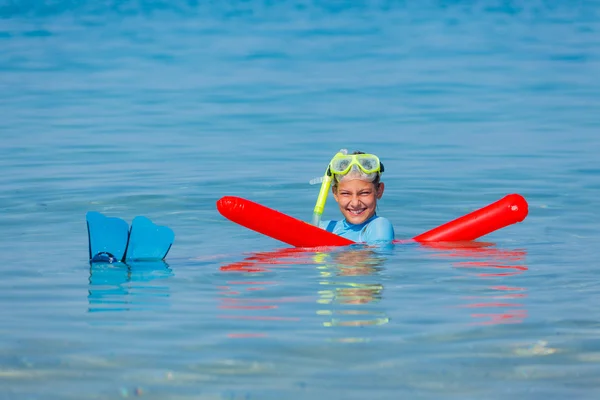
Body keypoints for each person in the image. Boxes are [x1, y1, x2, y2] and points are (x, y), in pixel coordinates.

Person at [317, 150, 395, 245]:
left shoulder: (379, 226)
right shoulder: (326, 227)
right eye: (346, 193)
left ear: (379, 191)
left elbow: (374, 258)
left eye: (364, 193)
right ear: (335, 193)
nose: (355, 203)